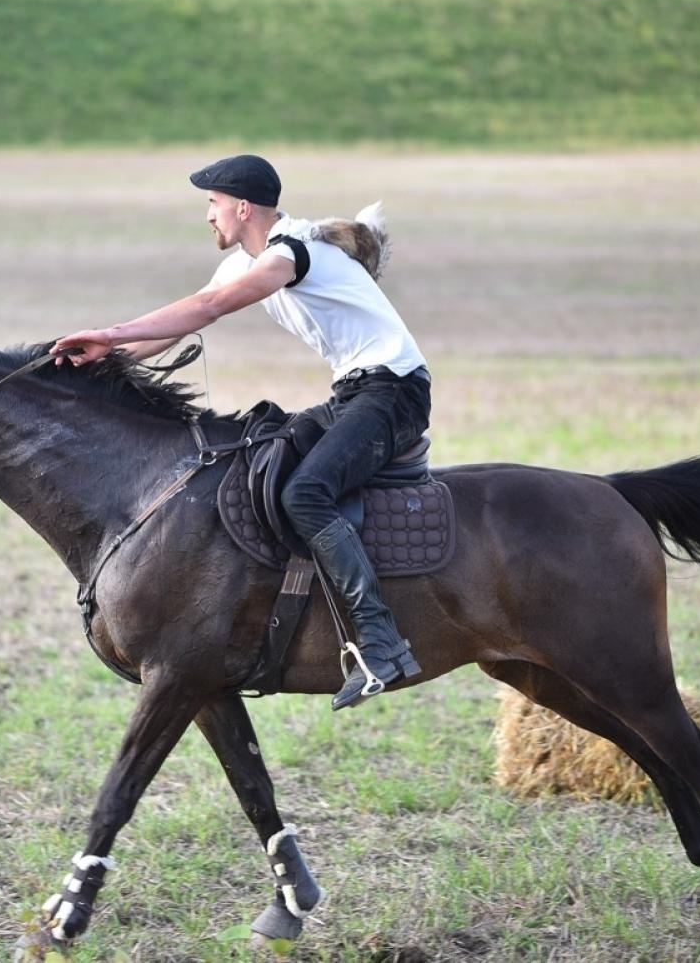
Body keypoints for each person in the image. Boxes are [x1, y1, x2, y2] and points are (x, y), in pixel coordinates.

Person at [51, 154, 430, 711]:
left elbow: (209, 305)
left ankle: (381, 643)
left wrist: (108, 332)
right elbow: (186, 321)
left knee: (307, 493)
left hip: (394, 392)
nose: (208, 215)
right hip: (353, 393)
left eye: (213, 202)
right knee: (261, 460)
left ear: (242, 206)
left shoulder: (289, 251)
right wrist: (92, 367)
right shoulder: (245, 262)